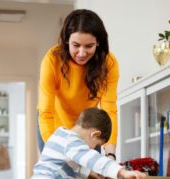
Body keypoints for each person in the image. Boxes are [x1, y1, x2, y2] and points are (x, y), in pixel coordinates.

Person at [37, 9, 119, 163]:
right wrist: (57, 151)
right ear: (67, 40)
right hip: (53, 123)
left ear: (98, 43)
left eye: (89, 46)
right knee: (59, 172)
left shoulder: (108, 64)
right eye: (76, 45)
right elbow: (45, 112)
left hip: (88, 127)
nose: (81, 53)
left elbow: (110, 111)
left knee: (88, 178)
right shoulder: (52, 60)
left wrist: (110, 155)